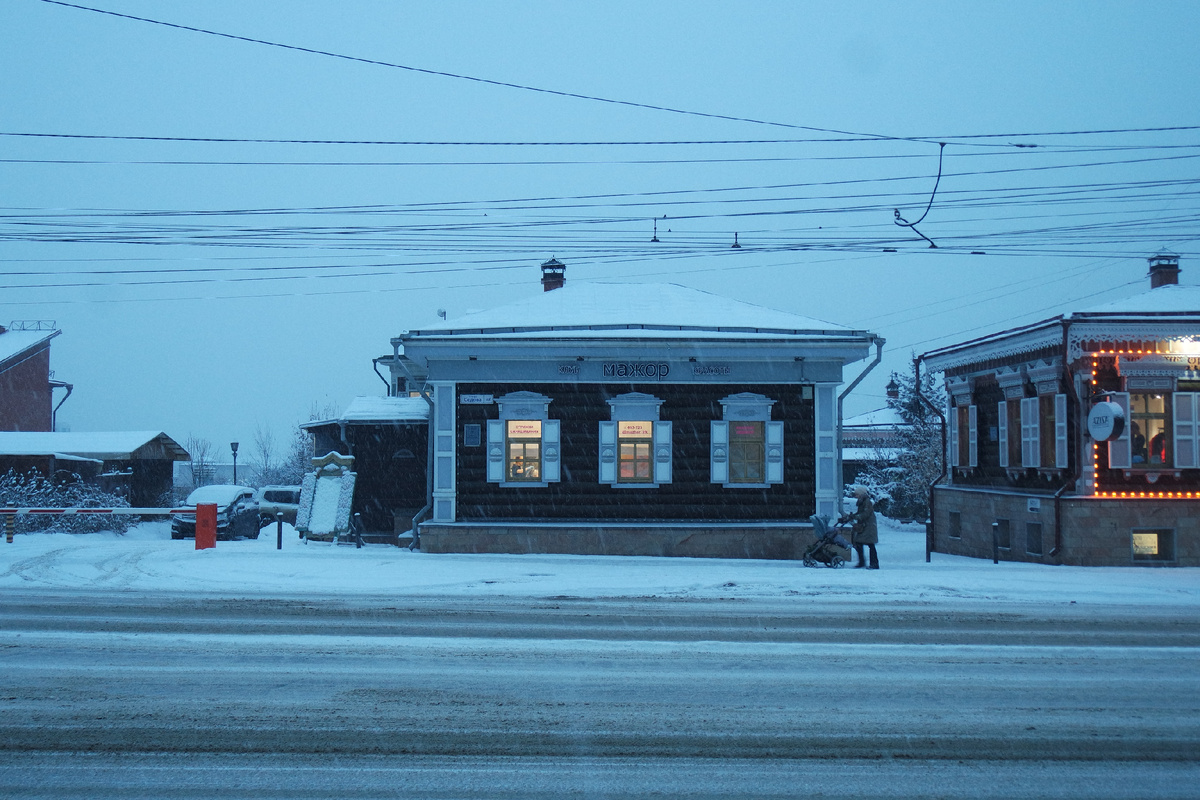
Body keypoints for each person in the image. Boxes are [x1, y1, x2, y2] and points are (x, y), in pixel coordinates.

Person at [841, 485, 879, 569]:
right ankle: (863, 562)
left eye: (857, 494)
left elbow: (866, 514)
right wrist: (853, 516)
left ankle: (873, 563)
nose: (855, 496)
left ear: (861, 494)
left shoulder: (867, 501)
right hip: (865, 526)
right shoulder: (862, 501)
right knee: (859, 543)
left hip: (869, 526)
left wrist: (856, 517)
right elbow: (860, 513)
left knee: (870, 544)